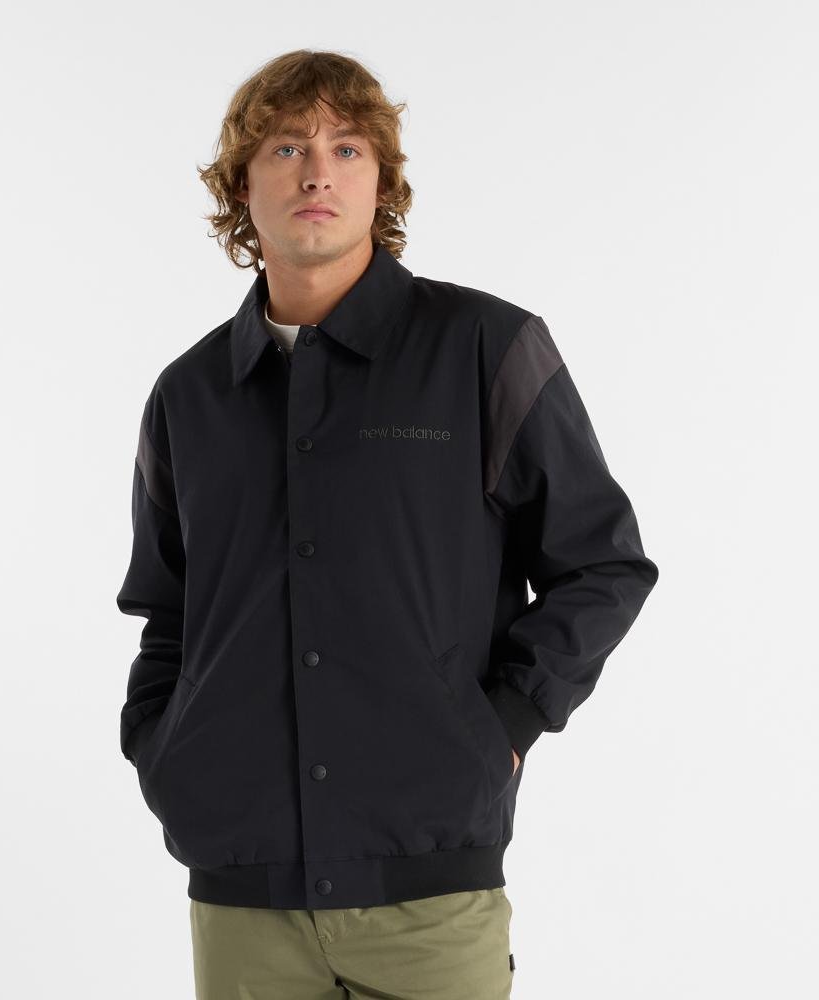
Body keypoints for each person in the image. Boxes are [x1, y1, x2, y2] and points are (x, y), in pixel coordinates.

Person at [116, 49, 659, 1000]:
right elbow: (169, 611)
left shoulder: (486, 347)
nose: (317, 173)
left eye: (347, 148)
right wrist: (167, 753)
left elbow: (603, 564)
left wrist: (504, 727)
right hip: (243, 905)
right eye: (287, 147)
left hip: (430, 898)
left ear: (382, 180)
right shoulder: (189, 396)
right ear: (242, 185)